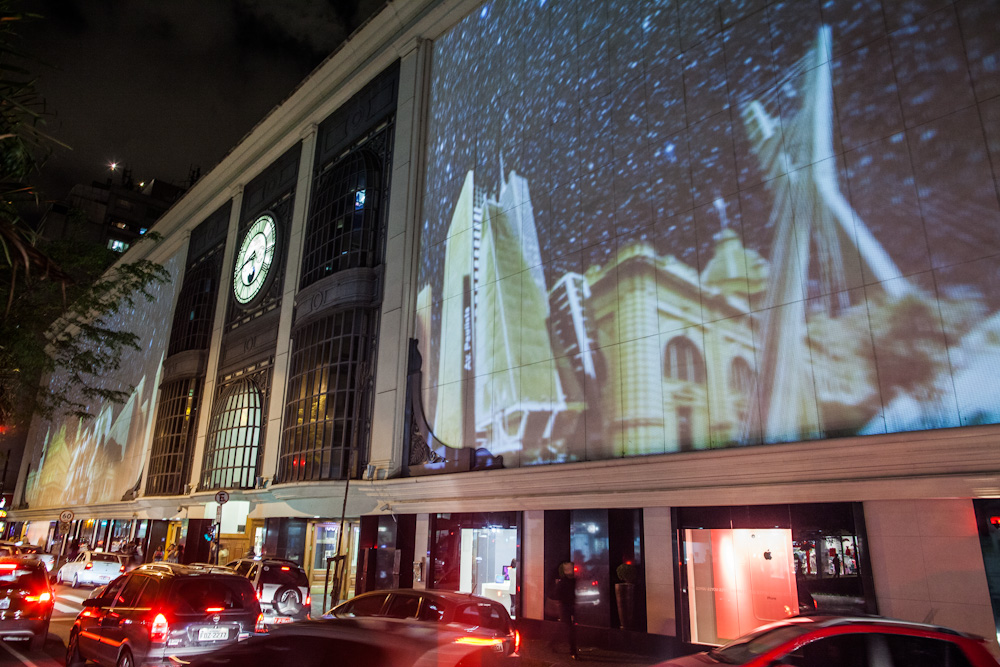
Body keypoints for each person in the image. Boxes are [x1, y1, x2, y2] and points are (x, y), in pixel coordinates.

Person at [555, 561, 578, 660]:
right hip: (566, 607)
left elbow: (557, 594)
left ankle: (554, 644)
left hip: (567, 607)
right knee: (569, 629)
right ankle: (572, 650)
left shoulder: (565, 582)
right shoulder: (568, 582)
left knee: (565, 628)